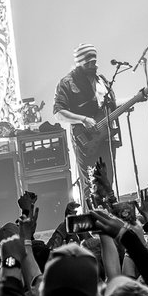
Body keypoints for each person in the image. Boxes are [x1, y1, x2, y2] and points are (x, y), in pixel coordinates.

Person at [54, 43, 116, 203]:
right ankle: (93, 221)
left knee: (108, 182)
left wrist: (137, 98)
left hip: (106, 138)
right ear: (78, 62)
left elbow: (108, 106)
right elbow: (59, 113)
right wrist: (83, 119)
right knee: (91, 186)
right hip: (85, 140)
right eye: (87, 62)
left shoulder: (101, 81)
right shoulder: (67, 83)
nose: (91, 65)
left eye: (93, 62)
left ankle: (111, 219)